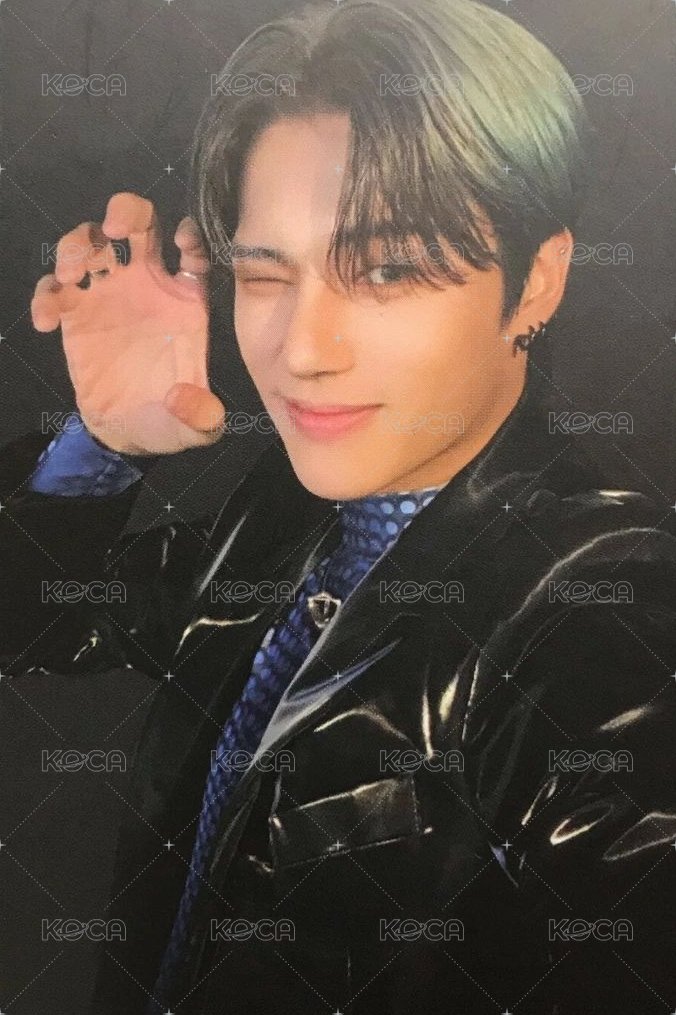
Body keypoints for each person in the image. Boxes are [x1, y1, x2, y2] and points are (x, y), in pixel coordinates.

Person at [1, 0, 674, 1012]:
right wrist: (104, 445)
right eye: (264, 275)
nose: (303, 350)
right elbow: (29, 616)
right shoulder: (289, 514)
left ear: (535, 281)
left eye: (388, 268)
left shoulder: (606, 615)